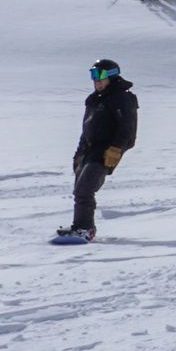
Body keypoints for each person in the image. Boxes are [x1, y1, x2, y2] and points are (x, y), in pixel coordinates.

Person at [58, 59, 138, 241]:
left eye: (100, 75)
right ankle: (80, 227)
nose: (96, 80)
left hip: (106, 151)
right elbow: (86, 130)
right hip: (88, 151)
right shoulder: (95, 99)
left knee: (85, 189)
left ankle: (85, 230)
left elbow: (128, 129)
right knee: (80, 191)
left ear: (112, 76)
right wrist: (78, 154)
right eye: (93, 75)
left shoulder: (122, 98)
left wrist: (116, 149)